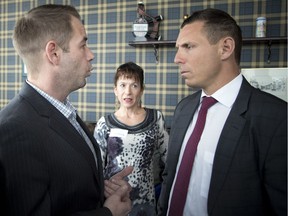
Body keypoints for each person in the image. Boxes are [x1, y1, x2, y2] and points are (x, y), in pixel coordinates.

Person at [0, 4, 133, 216]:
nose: (90, 55)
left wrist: (102, 189)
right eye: (83, 45)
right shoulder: (14, 130)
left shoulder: (63, 110)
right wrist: (108, 213)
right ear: (54, 53)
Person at [157, 8, 287, 216]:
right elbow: (169, 175)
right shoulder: (184, 108)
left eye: (188, 46)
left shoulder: (277, 119)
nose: (177, 58)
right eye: (177, 48)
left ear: (225, 48)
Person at [94, 62, 169, 216]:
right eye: (122, 85)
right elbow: (96, 168)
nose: (127, 92)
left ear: (141, 90)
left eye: (134, 85)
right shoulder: (104, 123)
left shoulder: (156, 119)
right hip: (114, 199)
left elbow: (170, 159)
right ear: (115, 90)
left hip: (145, 200)